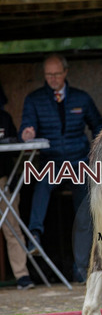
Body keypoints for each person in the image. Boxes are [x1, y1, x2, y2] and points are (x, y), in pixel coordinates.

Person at [19, 54, 102, 283]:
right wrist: (27, 133)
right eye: (48, 75)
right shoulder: (34, 99)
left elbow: (99, 126)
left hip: (78, 162)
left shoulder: (81, 98)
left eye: (56, 74)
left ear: (65, 72)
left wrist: (96, 153)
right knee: (41, 187)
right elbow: (25, 127)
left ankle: (81, 269)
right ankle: (34, 236)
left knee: (84, 214)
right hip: (51, 161)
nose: (53, 79)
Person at [1, 84, 35, 289]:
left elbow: (15, 147)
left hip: (3, 179)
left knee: (12, 227)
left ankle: (22, 275)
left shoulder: (4, 117)